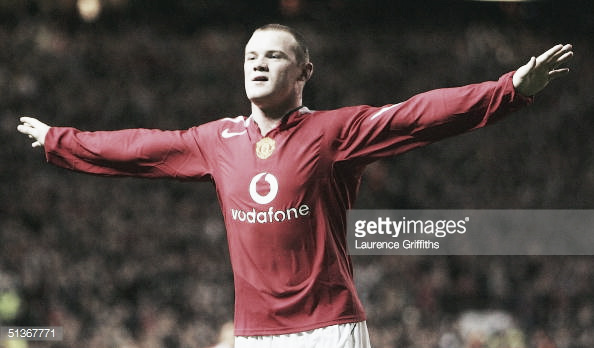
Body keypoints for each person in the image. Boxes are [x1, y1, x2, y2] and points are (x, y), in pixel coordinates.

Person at [17, 24, 573, 348]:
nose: (258, 63)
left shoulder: (333, 132)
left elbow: (418, 116)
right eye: (251, 56)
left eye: (274, 55)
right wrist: (59, 141)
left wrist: (511, 89)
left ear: (305, 72)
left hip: (328, 330)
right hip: (252, 336)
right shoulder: (217, 139)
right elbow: (140, 147)